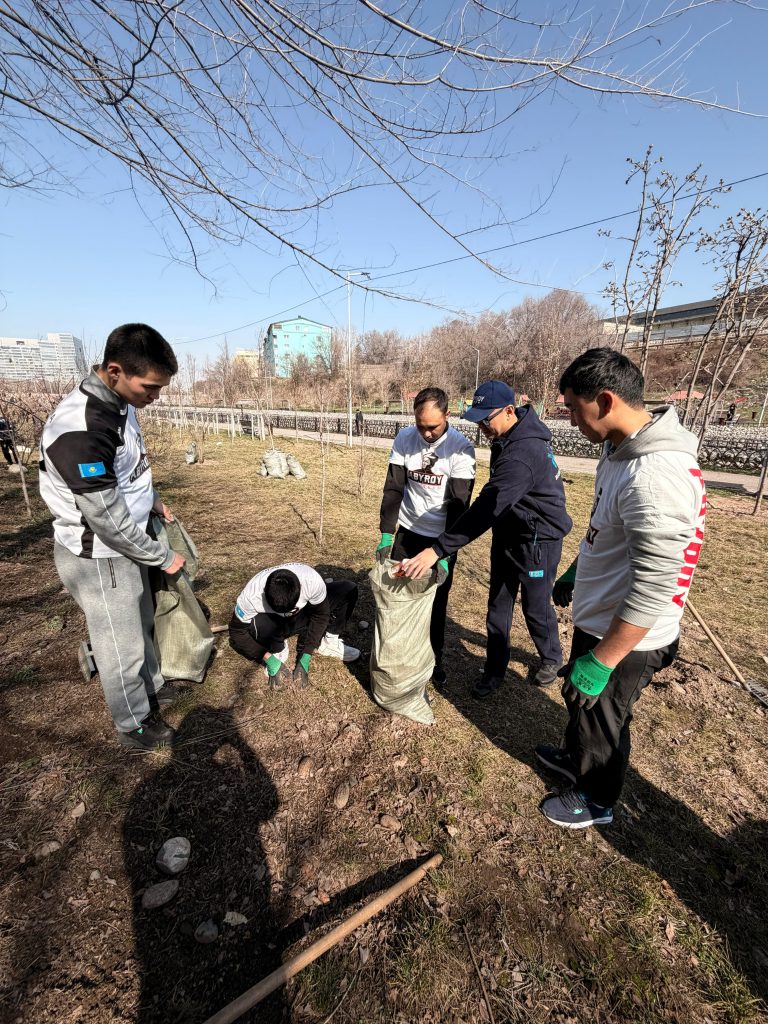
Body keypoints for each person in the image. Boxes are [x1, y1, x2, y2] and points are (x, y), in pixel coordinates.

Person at [537, 348, 707, 829]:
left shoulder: (654, 476)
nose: (570, 420)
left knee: (604, 721)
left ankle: (596, 801)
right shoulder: (620, 449)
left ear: (606, 400)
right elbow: (608, 528)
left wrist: (604, 659)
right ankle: (576, 762)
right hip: (604, 613)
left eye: (573, 408)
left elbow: (656, 585)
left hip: (629, 636)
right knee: (583, 708)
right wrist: (578, 568)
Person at [39, 323, 185, 751]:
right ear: (116, 371)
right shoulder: (81, 429)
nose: (155, 396)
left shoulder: (123, 401)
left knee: (141, 621)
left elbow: (129, 467)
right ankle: (132, 722)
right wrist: (161, 556)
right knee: (118, 643)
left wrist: (153, 499)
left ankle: (151, 685)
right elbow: (106, 519)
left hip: (128, 542)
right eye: (150, 387)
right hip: (101, 556)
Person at [403, 380, 571, 694]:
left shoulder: (523, 453)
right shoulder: (506, 435)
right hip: (508, 532)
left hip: (538, 540)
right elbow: (498, 502)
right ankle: (494, 670)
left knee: (535, 607)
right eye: (477, 420)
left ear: (509, 410)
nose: (481, 427)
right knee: (498, 605)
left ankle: (551, 657)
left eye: (486, 419)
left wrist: (437, 549)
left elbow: (484, 510)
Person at [375, 387, 475, 685]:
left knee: (434, 602)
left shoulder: (461, 449)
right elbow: (394, 488)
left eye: (433, 426)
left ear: (448, 415)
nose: (426, 433)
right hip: (407, 531)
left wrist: (445, 553)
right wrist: (385, 533)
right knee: (398, 594)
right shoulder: (405, 439)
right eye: (421, 426)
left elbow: (460, 507)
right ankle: (399, 651)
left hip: (439, 539)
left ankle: (434, 659)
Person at [229, 563, 359, 688]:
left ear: (300, 588)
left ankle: (329, 643)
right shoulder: (251, 596)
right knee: (253, 623)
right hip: (274, 625)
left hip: (303, 615)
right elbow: (237, 632)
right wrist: (267, 657)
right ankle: (277, 649)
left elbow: (321, 615)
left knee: (347, 589)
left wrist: (307, 654)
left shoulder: (311, 580)